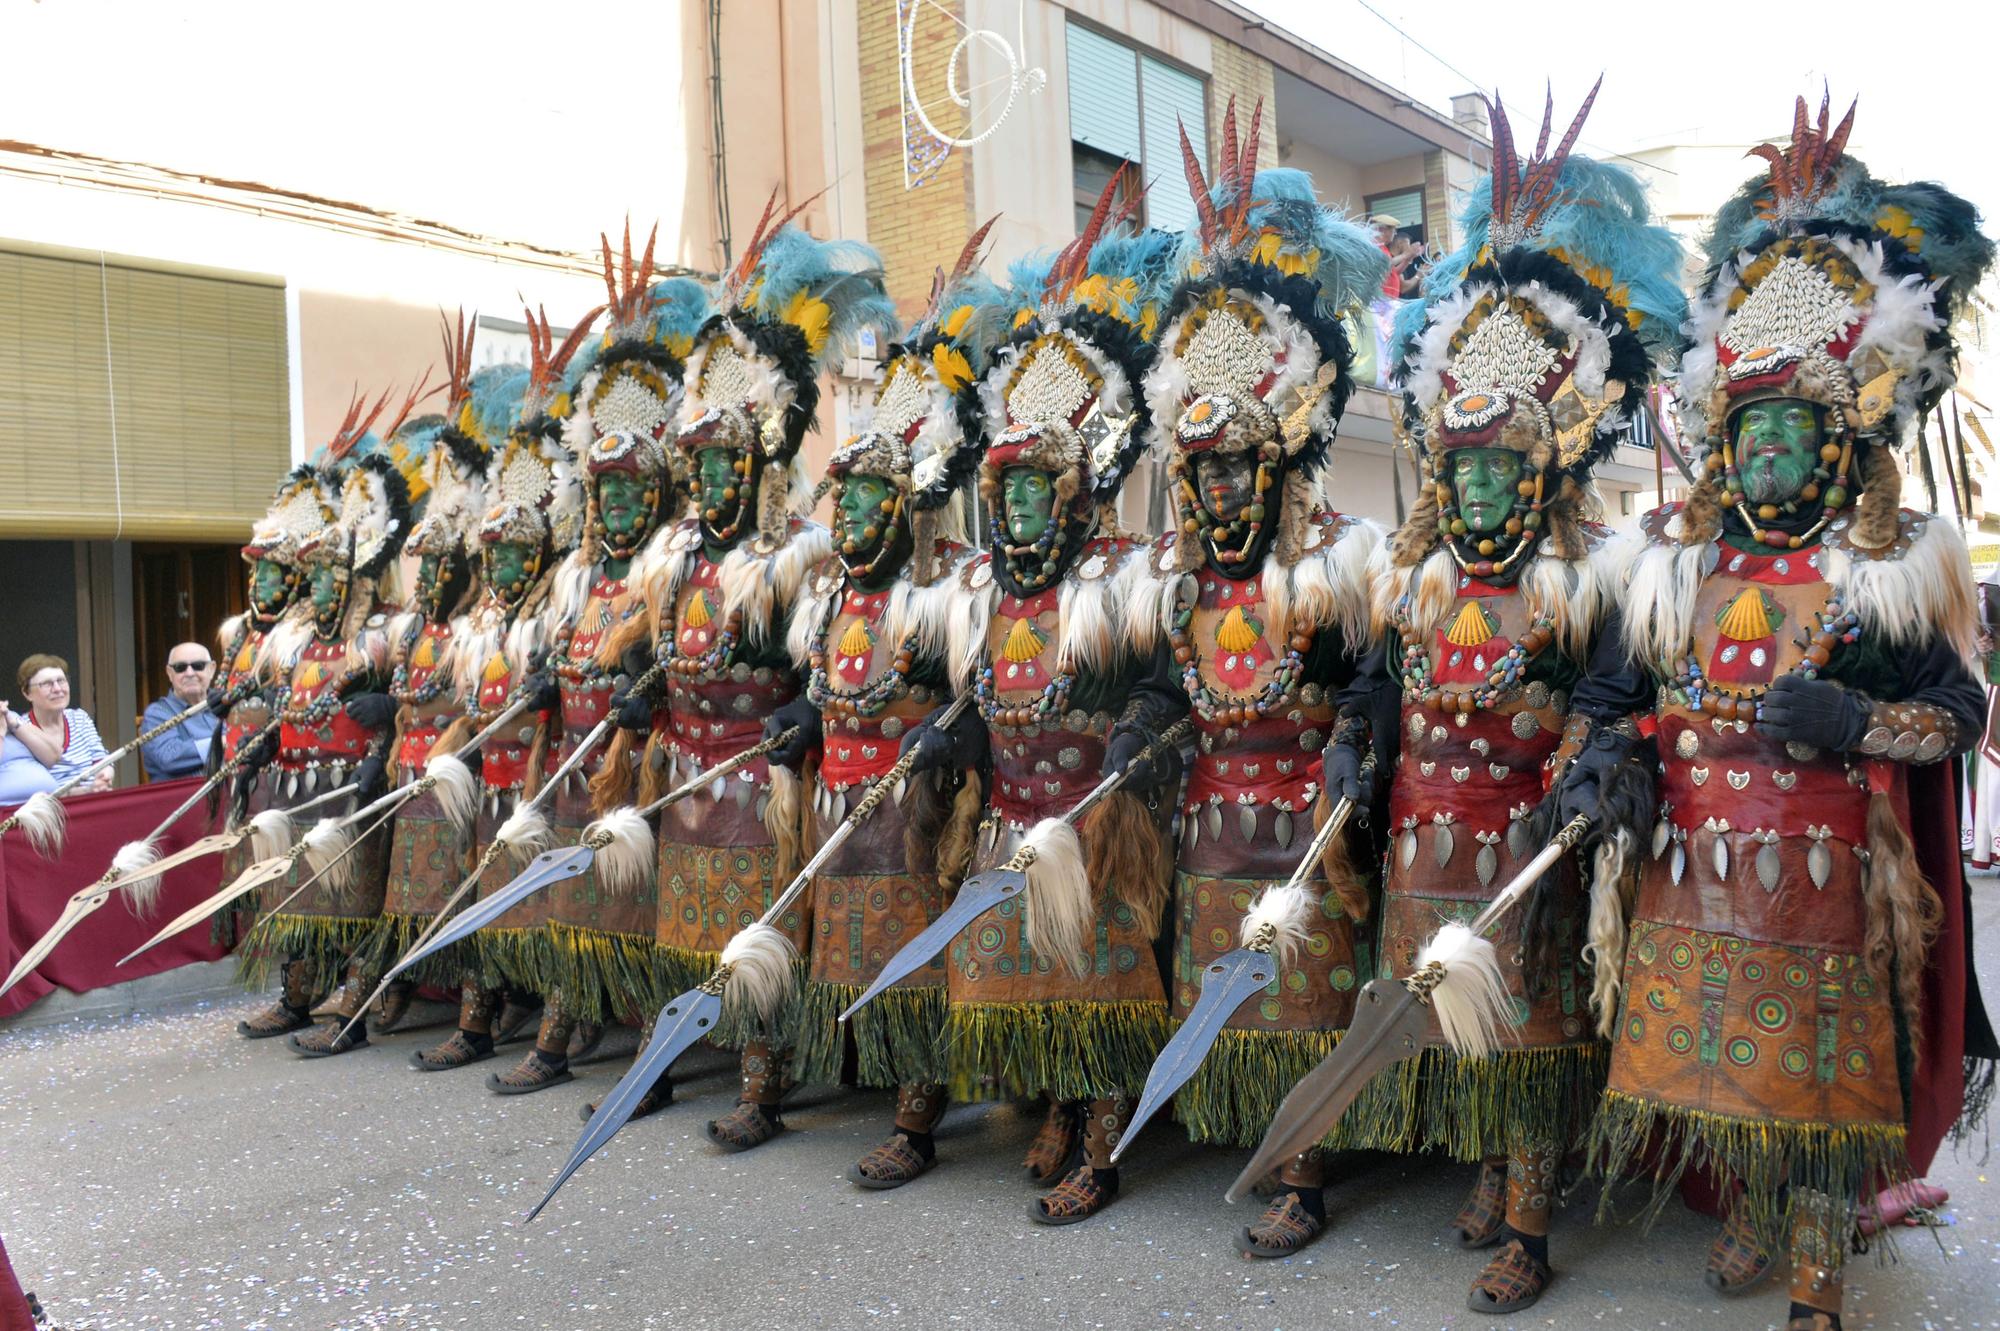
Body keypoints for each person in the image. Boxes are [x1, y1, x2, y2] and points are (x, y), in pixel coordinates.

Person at [1559, 96, 1996, 1331]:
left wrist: (1857, 719)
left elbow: (1960, 711)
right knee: (1706, 1062)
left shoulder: (1896, 560)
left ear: (1837, 440)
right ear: (1717, 441)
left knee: (1812, 1081)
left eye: (1787, 436)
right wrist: (1602, 762)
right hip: (1685, 863)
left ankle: (1815, 1268)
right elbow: (1609, 692)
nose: (1761, 463)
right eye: (1744, 438)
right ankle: (1741, 1202)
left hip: (1827, 874)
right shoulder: (1655, 563)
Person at [1327, 89, 1688, 1314]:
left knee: (1528, 1034)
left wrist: (1585, 770)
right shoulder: (1406, 570)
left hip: (1530, 835)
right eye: (1460, 467)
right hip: (1426, 828)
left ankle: (1530, 1221)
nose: (1477, 492)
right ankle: (1479, 1165)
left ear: (1542, 465)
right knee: (1446, 1005)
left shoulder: (1600, 569)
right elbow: (1375, 684)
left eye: (1499, 470)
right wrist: (1349, 738)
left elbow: (1614, 694)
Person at [1124, 102, 1389, 1258]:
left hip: (1306, 823)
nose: (1217, 490)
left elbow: (1385, 680)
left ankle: (1310, 1165)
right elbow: (1157, 681)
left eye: (1236, 467)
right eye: (1200, 470)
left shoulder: (1342, 562)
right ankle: (1238, 1128)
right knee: (1223, 984)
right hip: (1207, 827)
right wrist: (1146, 718)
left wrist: (1356, 737)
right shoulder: (1167, 576)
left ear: (1277, 456)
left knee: (1305, 990)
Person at [926, 205, 1186, 1223]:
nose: (1020, 511)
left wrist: (1138, 727)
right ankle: (1058, 1105)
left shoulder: (1126, 577)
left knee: (1096, 982)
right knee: (1023, 974)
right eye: (1009, 494)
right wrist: (947, 733)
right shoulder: (982, 588)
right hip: (1008, 812)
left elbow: (1165, 684)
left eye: (1037, 493)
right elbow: (977, 692)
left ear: (1075, 493)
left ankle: (1103, 1138)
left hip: (1098, 818)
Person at [232, 395, 412, 1040]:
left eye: (332, 581)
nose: (320, 592)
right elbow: (288, 705)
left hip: (352, 785)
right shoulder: (294, 640)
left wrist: (386, 713)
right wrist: (264, 743)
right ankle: (296, 999)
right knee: (296, 902)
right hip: (294, 784)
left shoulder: (388, 632)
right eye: (315, 582)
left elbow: (410, 700)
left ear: (358, 582)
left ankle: (356, 1008)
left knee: (355, 901)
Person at [15, 655, 110, 793]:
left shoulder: (79, 718)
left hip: (95, 800)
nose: (58, 689)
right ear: (27, 693)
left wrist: (104, 778)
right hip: (52, 811)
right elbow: (30, 791)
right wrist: (83, 791)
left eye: (61, 681)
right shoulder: (19, 730)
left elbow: (101, 759)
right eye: (47, 684)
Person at [139, 643, 220, 780]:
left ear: (211, 669)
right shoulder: (157, 713)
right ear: (170, 674)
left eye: (198, 665)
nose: (189, 673)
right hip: (185, 798)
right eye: (180, 668)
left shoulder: (228, 705)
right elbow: (169, 756)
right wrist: (221, 743)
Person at [0, 702, 58, 805]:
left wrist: (14, 724)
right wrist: (1, 731)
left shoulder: (9, 716)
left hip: (47, 805)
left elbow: (53, 756)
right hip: (9, 813)